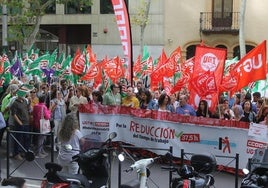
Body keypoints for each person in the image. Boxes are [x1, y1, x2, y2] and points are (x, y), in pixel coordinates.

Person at [10, 85, 33, 160]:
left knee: (26, 138)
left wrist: (30, 102)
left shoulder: (24, 101)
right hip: (20, 123)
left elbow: (28, 109)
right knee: (18, 138)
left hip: (26, 122)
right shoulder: (15, 103)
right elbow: (14, 114)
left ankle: (25, 152)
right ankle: (16, 153)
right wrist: (19, 122)